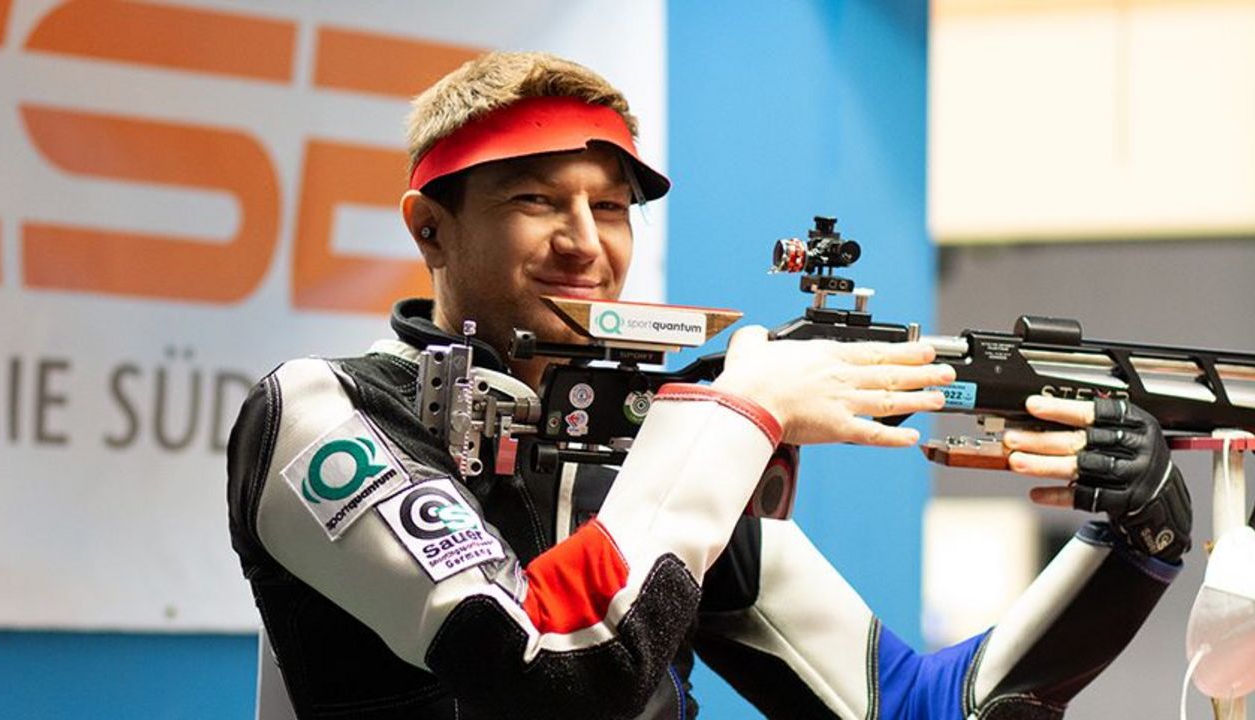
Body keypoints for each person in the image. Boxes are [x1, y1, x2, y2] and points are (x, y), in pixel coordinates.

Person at [226, 52, 1192, 719]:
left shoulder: (662, 453)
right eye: (535, 200)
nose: (584, 240)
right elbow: (552, 679)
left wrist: (1137, 539)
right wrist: (739, 411)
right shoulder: (322, 410)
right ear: (429, 227)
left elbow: (930, 706)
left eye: (610, 207)